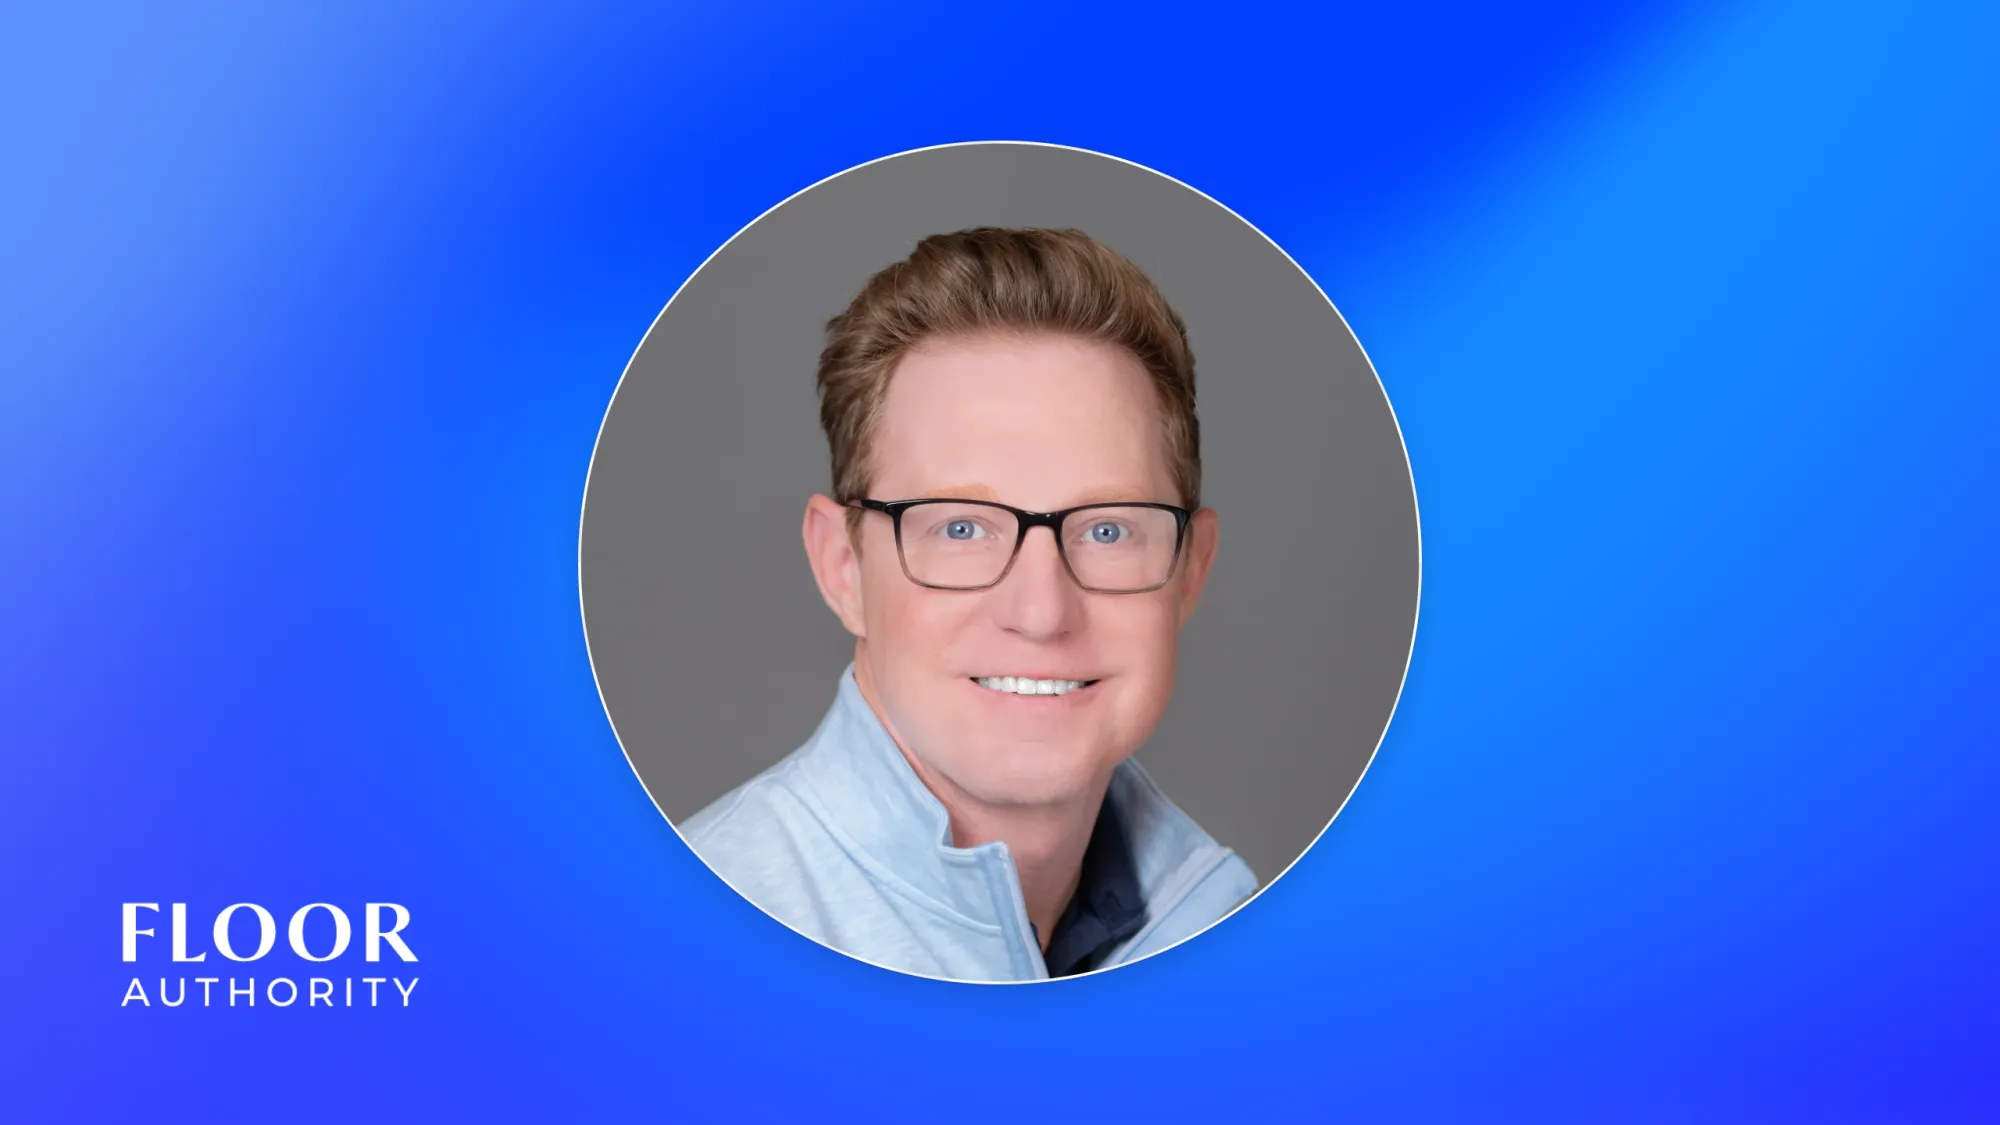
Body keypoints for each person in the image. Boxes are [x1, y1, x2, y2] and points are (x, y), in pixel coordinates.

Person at [680, 227, 1256, 981]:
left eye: (1107, 528)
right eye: (961, 527)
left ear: (1189, 568)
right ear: (843, 565)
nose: (1042, 610)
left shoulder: (1235, 930)